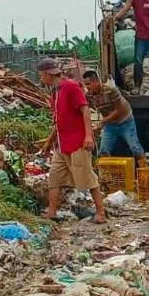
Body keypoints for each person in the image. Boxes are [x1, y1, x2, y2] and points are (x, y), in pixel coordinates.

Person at [37, 58, 107, 224]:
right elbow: (58, 121)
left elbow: (85, 111)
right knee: (54, 178)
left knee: (88, 177)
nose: (40, 79)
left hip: (78, 143)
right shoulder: (55, 92)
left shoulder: (71, 87)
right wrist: (49, 142)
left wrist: (88, 136)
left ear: (47, 74)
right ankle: (52, 212)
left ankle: (101, 212)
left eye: (41, 75)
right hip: (61, 145)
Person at [82, 70, 146, 162]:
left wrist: (102, 122)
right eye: (85, 85)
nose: (86, 87)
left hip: (125, 121)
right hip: (110, 125)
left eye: (88, 84)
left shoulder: (111, 90)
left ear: (96, 81)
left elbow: (118, 110)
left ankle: (145, 170)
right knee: (103, 151)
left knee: (135, 147)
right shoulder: (89, 96)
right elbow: (85, 110)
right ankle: (108, 174)